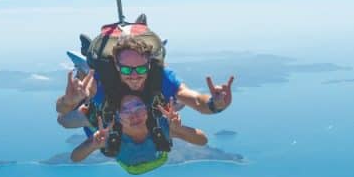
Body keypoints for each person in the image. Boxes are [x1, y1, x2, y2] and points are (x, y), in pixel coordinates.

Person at [55, 34, 235, 126]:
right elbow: (61, 114)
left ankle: (89, 62)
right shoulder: (102, 81)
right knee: (67, 120)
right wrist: (69, 101)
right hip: (107, 117)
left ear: (150, 65)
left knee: (177, 103)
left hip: (149, 114)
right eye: (126, 69)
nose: (134, 75)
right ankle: (85, 68)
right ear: (116, 67)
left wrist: (215, 105)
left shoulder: (163, 77)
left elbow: (195, 100)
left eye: (141, 68)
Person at [70, 95, 207, 174]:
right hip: (141, 157)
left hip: (129, 161)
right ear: (117, 117)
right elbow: (202, 140)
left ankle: (84, 83)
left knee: (74, 119)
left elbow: (75, 157)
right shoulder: (110, 131)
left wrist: (93, 144)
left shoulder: (160, 126)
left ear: (147, 109)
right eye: (126, 111)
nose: (134, 116)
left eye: (138, 108)